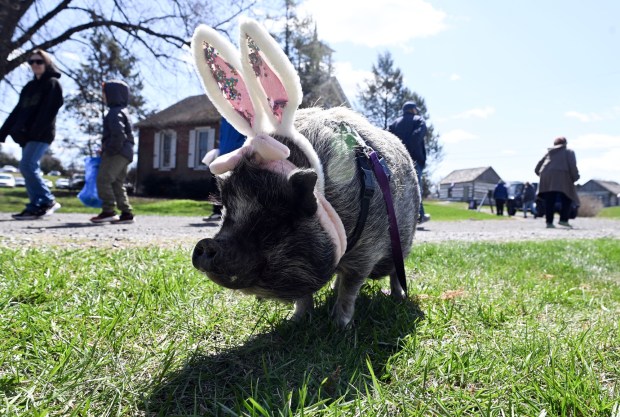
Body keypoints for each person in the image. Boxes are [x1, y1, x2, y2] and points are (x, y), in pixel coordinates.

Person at [0, 49, 64, 220]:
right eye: (31, 62)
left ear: (47, 63)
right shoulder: (29, 87)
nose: (35, 65)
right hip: (25, 135)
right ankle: (36, 204)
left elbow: (49, 111)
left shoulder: (52, 84)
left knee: (27, 165)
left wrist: (35, 130)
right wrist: (3, 131)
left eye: (39, 61)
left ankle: (47, 200)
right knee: (28, 168)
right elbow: (18, 110)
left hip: (41, 134)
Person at [90, 80, 135, 224]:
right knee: (117, 183)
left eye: (105, 93)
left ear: (112, 94)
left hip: (117, 152)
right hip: (126, 153)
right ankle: (126, 213)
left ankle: (108, 211)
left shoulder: (114, 113)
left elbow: (119, 135)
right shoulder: (123, 111)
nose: (103, 96)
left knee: (103, 179)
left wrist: (108, 150)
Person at [388, 101, 430, 223]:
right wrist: (408, 150)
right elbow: (419, 135)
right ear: (413, 110)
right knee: (415, 187)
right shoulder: (419, 120)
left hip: (397, 159)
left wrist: (399, 151)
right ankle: (419, 217)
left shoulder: (394, 123)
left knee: (398, 187)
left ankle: (399, 217)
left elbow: (387, 137)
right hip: (414, 158)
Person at [203, 117, 245, 222]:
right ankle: (217, 212)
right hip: (223, 154)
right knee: (216, 184)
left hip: (238, 154)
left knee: (236, 186)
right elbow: (223, 136)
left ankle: (237, 214)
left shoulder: (245, 111)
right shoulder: (224, 117)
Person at [535, 136, 580, 228]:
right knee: (567, 197)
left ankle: (549, 222)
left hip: (546, 175)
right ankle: (563, 220)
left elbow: (537, 167)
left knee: (549, 200)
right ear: (565, 144)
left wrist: (542, 176)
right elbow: (572, 166)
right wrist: (575, 177)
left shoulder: (549, 152)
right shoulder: (569, 152)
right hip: (562, 175)